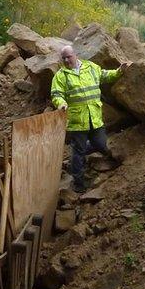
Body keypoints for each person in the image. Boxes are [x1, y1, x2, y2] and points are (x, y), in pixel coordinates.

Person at [50, 45, 127, 192]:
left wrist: (119, 72)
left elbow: (104, 75)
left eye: (69, 56)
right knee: (78, 154)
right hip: (77, 121)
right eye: (64, 58)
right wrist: (61, 104)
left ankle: (77, 153)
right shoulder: (60, 76)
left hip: (95, 117)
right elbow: (56, 94)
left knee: (101, 145)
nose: (66, 60)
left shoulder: (90, 67)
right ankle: (78, 184)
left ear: (75, 55)